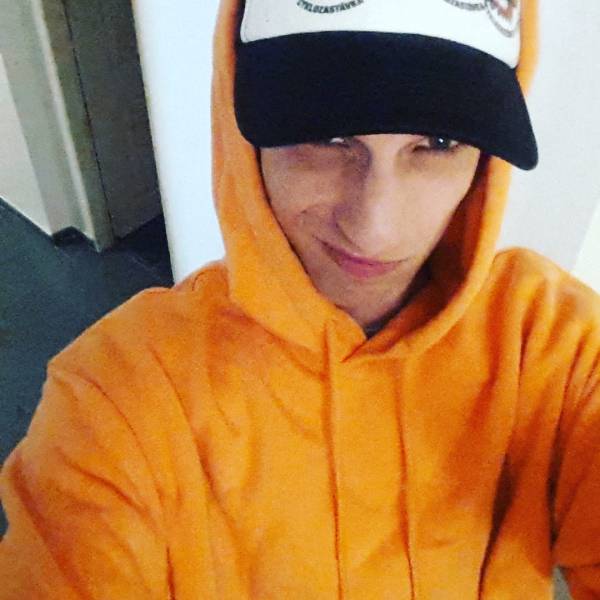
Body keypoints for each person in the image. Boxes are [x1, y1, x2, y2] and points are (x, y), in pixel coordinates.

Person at [1, 0, 599, 597]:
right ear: (243, 135)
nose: (375, 228)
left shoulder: (555, 350)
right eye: (327, 135)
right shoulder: (117, 399)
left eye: (439, 142)